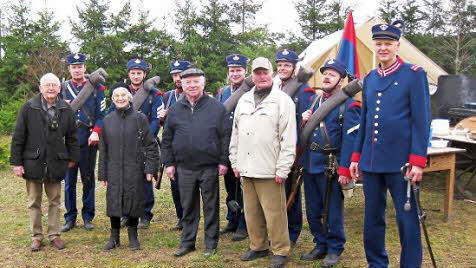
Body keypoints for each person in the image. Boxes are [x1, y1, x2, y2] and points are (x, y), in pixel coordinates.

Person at [349, 21, 431, 268]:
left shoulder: (414, 75)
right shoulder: (371, 78)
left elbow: (421, 120)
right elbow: (364, 120)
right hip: (372, 162)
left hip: (402, 164)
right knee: (372, 219)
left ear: (397, 45)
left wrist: (418, 161)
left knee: (407, 221)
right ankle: (376, 263)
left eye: (388, 43)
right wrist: (356, 156)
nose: (382, 48)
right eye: (378, 43)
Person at [229, 57, 296, 268]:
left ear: (272, 73)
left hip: (270, 168)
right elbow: (236, 133)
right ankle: (258, 246)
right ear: (252, 76)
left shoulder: (283, 101)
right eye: (257, 73)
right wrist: (234, 161)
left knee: (275, 213)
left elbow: (289, 137)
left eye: (265, 72)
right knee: (251, 212)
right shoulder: (244, 100)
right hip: (246, 167)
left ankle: (280, 250)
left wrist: (283, 168)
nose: (261, 76)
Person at [161, 68, 231, 257]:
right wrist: (168, 163)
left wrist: (224, 160)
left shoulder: (217, 107)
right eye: (187, 82)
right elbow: (166, 138)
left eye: (195, 82)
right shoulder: (175, 109)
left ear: (203, 83)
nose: (191, 85)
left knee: (210, 207)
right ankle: (188, 242)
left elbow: (226, 136)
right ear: (182, 85)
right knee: (188, 207)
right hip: (184, 167)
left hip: (209, 166)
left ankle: (210, 244)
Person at [300, 59, 361, 267]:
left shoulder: (350, 106)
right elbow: (307, 134)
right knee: (313, 208)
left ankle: (335, 248)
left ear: (341, 80)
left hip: (331, 166)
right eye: (325, 73)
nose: (327, 77)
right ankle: (320, 243)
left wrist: (344, 169)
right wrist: (304, 121)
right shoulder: (314, 102)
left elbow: (351, 140)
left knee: (332, 210)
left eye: (333, 74)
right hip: (310, 163)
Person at [10, 73, 80, 251]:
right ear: (40, 88)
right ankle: (36, 237)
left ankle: (54, 235)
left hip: (56, 162)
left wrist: (72, 158)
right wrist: (16, 163)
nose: (50, 88)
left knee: (55, 201)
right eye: (47, 85)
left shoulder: (66, 109)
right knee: (34, 202)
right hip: (32, 162)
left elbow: (72, 137)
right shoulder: (28, 108)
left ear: (59, 88)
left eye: (54, 85)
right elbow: (18, 137)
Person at [98, 87, 159, 251]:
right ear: (112, 99)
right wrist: (102, 173)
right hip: (114, 168)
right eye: (116, 95)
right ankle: (114, 237)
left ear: (129, 97)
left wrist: (150, 169)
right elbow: (103, 149)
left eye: (123, 95)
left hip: (135, 167)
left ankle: (133, 236)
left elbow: (151, 146)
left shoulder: (140, 119)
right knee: (114, 201)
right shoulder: (107, 120)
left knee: (134, 201)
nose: (120, 98)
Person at [110, 58, 163, 229]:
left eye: (139, 73)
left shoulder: (154, 94)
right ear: (129, 74)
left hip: (145, 143)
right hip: (124, 144)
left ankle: (146, 214)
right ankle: (127, 214)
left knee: (145, 179)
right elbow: (112, 115)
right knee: (125, 181)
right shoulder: (121, 92)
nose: (136, 76)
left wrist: (146, 135)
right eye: (133, 73)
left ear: (144, 74)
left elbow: (156, 119)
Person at [275, 49, 315, 247]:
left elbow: (306, 123)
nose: (283, 68)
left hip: (293, 148)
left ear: (294, 68)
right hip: (273, 147)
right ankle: (277, 228)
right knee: (276, 191)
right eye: (280, 65)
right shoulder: (273, 87)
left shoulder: (304, 90)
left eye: (287, 65)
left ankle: (292, 231)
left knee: (292, 190)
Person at [61, 53, 106, 232]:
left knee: (88, 180)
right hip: (68, 142)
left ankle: (88, 217)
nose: (77, 69)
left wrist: (96, 132)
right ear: (69, 69)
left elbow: (101, 116)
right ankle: (70, 217)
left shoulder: (97, 88)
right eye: (74, 67)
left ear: (85, 68)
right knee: (69, 181)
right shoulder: (62, 88)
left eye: (80, 66)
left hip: (89, 140)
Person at [216, 53, 248, 241]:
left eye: (238, 70)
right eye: (232, 70)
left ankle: (244, 224)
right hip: (227, 145)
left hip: (244, 144)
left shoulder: (249, 91)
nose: (235, 73)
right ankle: (232, 219)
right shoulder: (223, 92)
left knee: (244, 187)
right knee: (230, 186)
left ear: (245, 71)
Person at [159, 59, 192, 231]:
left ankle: (190, 217)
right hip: (172, 147)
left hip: (190, 147)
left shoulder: (194, 94)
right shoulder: (167, 96)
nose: (177, 78)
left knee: (190, 185)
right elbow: (162, 124)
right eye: (174, 75)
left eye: (180, 74)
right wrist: (162, 117)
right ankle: (181, 217)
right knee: (175, 185)